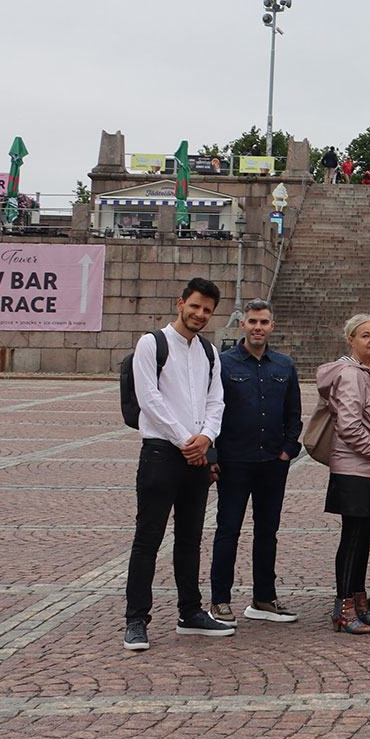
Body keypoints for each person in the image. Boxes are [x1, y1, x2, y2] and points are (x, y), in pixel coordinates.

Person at [123, 277, 230, 651]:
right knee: (148, 539)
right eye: (195, 306)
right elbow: (149, 399)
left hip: (196, 455)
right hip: (161, 454)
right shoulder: (152, 344)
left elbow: (216, 400)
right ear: (180, 303)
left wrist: (207, 437)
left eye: (207, 310)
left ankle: (190, 612)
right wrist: (187, 440)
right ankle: (136, 619)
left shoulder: (209, 352)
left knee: (189, 539)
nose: (200, 314)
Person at [208, 298, 302, 626]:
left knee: (267, 532)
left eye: (263, 322)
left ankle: (264, 597)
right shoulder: (223, 363)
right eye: (252, 321)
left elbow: (293, 414)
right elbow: (210, 412)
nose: (258, 327)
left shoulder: (285, 366)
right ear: (243, 324)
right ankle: (220, 600)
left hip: (272, 462)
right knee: (228, 530)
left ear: (272, 326)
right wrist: (212, 457)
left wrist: (287, 451)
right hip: (234, 462)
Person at [318, 313, 370, 633]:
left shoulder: (367, 372)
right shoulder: (351, 374)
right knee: (353, 539)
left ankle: (359, 601)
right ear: (351, 340)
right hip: (355, 469)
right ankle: (344, 607)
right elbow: (349, 425)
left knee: (363, 538)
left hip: (367, 468)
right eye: (366, 335)